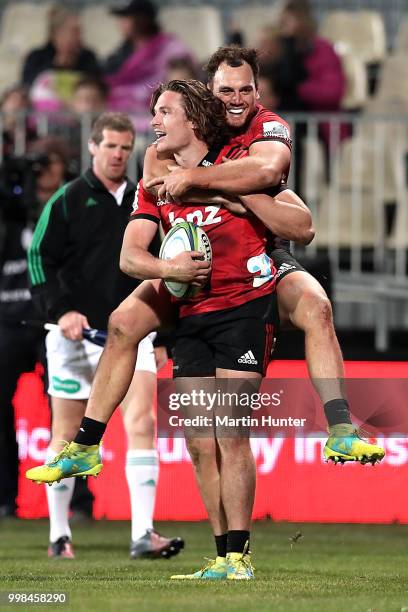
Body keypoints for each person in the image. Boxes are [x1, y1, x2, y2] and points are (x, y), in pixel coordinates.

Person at [26, 78, 314, 579]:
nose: (153, 122)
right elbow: (130, 255)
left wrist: (225, 194)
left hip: (243, 308)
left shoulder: (238, 169)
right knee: (199, 442)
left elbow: (302, 224)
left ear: (193, 120)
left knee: (231, 435)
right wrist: (171, 271)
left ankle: (239, 558)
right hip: (190, 316)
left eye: (163, 112)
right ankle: (89, 449)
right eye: (153, 112)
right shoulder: (155, 176)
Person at [146, 45, 384, 467]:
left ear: (257, 91)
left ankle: (341, 428)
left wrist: (197, 180)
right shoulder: (189, 125)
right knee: (123, 323)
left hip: (260, 249)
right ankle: (85, 439)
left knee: (317, 307)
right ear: (209, 90)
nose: (237, 99)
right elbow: (154, 173)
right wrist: (215, 188)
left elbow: (268, 173)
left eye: (246, 90)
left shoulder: (269, 125)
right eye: (226, 91)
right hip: (199, 259)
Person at [25, 113, 183, 560]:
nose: (117, 154)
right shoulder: (67, 200)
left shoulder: (147, 199)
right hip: (75, 337)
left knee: (143, 424)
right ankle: (59, 536)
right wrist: (61, 312)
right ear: (92, 148)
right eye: (110, 146)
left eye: (124, 147)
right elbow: (40, 259)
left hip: (133, 336)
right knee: (67, 433)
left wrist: (166, 330)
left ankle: (143, 534)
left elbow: (168, 265)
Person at [0, 137, 70, 519]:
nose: (43, 172)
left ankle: (77, 503)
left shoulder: (69, 206)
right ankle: (4, 500)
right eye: (37, 166)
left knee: (65, 406)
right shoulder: (10, 209)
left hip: (53, 317)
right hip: (8, 315)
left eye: (52, 162)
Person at [103, 0, 195, 131]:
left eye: (126, 17)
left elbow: (183, 84)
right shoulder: (118, 56)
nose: (120, 23)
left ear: (142, 20)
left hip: (163, 125)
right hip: (122, 125)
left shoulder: (170, 49)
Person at [21, 7, 101, 113]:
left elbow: (98, 87)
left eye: (80, 31)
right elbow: (27, 87)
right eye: (74, 31)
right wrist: (55, 66)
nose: (79, 36)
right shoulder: (36, 57)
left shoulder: (88, 57)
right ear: (57, 33)